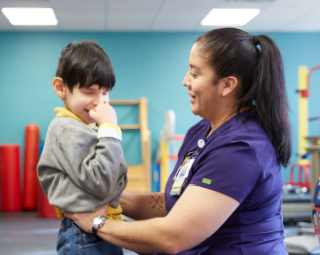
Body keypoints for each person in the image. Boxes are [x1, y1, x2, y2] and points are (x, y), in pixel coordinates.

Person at [65, 27, 291, 255]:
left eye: (195, 74)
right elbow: (176, 202)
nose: (185, 81)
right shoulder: (201, 130)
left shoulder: (241, 148)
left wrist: (96, 223)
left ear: (227, 85)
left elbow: (172, 237)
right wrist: (96, 194)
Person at [37, 40, 128, 255]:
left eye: (105, 93)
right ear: (61, 88)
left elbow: (117, 178)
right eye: (89, 92)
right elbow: (103, 183)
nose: (100, 102)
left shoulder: (87, 129)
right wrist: (109, 130)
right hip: (84, 236)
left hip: (100, 228)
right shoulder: (66, 128)